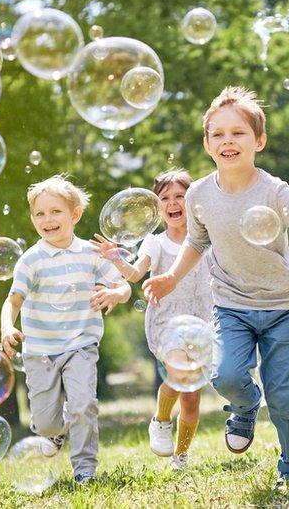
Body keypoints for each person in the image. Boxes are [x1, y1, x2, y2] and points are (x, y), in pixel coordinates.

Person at [142, 86, 289, 487]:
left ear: (258, 140)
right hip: (231, 305)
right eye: (219, 134)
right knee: (225, 376)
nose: (228, 140)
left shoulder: (274, 190)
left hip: (281, 305)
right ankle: (245, 405)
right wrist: (171, 277)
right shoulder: (199, 194)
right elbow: (196, 241)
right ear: (207, 144)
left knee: (285, 396)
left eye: (238, 132)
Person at [0, 174, 130, 485]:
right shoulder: (31, 260)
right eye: (40, 214)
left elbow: (122, 285)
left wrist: (115, 293)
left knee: (83, 405)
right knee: (45, 423)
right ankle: (55, 434)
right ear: (32, 219)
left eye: (55, 211)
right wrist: (7, 326)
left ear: (74, 215)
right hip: (40, 351)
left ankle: (84, 470)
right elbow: (13, 300)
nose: (47, 219)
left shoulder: (90, 253)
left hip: (80, 345)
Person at [90, 168, 213, 472]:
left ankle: (181, 455)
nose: (173, 203)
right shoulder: (154, 243)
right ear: (158, 208)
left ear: (193, 201)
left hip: (204, 322)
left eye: (180, 196)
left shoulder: (208, 237)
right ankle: (160, 420)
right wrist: (116, 258)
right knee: (177, 374)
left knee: (192, 398)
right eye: (166, 198)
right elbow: (134, 274)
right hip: (167, 322)